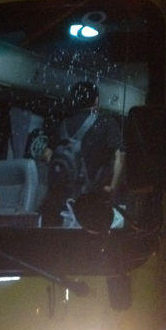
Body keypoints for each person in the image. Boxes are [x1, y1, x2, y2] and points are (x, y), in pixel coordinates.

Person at [42, 81, 125, 225]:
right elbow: (120, 157)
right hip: (91, 201)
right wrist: (112, 187)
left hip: (61, 200)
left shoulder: (63, 124)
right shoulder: (107, 122)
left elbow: (47, 154)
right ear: (96, 100)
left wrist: (64, 174)